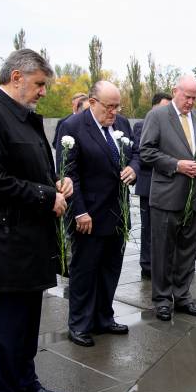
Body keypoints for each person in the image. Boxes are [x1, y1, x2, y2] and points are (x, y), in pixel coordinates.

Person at [0, 49, 71, 392]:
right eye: (39, 84)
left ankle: (26, 383)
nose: (43, 91)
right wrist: (46, 196)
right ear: (16, 77)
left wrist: (55, 183)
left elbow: (27, 168)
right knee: (7, 323)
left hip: (28, 239)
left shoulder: (19, 116)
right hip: (4, 240)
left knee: (27, 321)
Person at [58, 81, 136, 347]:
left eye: (117, 106)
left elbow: (135, 154)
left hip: (118, 213)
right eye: (109, 106)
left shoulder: (122, 124)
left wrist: (134, 169)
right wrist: (79, 211)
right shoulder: (73, 127)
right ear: (92, 103)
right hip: (88, 215)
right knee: (84, 271)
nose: (114, 112)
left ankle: (104, 317)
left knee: (110, 269)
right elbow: (69, 173)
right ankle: (79, 324)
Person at [139, 75, 196, 321]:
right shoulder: (158, 116)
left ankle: (182, 296)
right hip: (166, 195)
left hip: (194, 196)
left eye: (195, 98)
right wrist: (177, 165)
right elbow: (146, 151)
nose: (191, 102)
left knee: (188, 250)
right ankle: (162, 299)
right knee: (162, 250)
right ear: (175, 91)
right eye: (187, 97)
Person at [133, 92, 172, 280]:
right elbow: (143, 155)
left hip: (167, 185)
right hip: (148, 185)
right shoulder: (142, 125)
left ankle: (162, 264)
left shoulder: (171, 126)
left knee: (164, 229)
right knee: (148, 227)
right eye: (164, 107)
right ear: (154, 107)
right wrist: (168, 160)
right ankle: (147, 265)